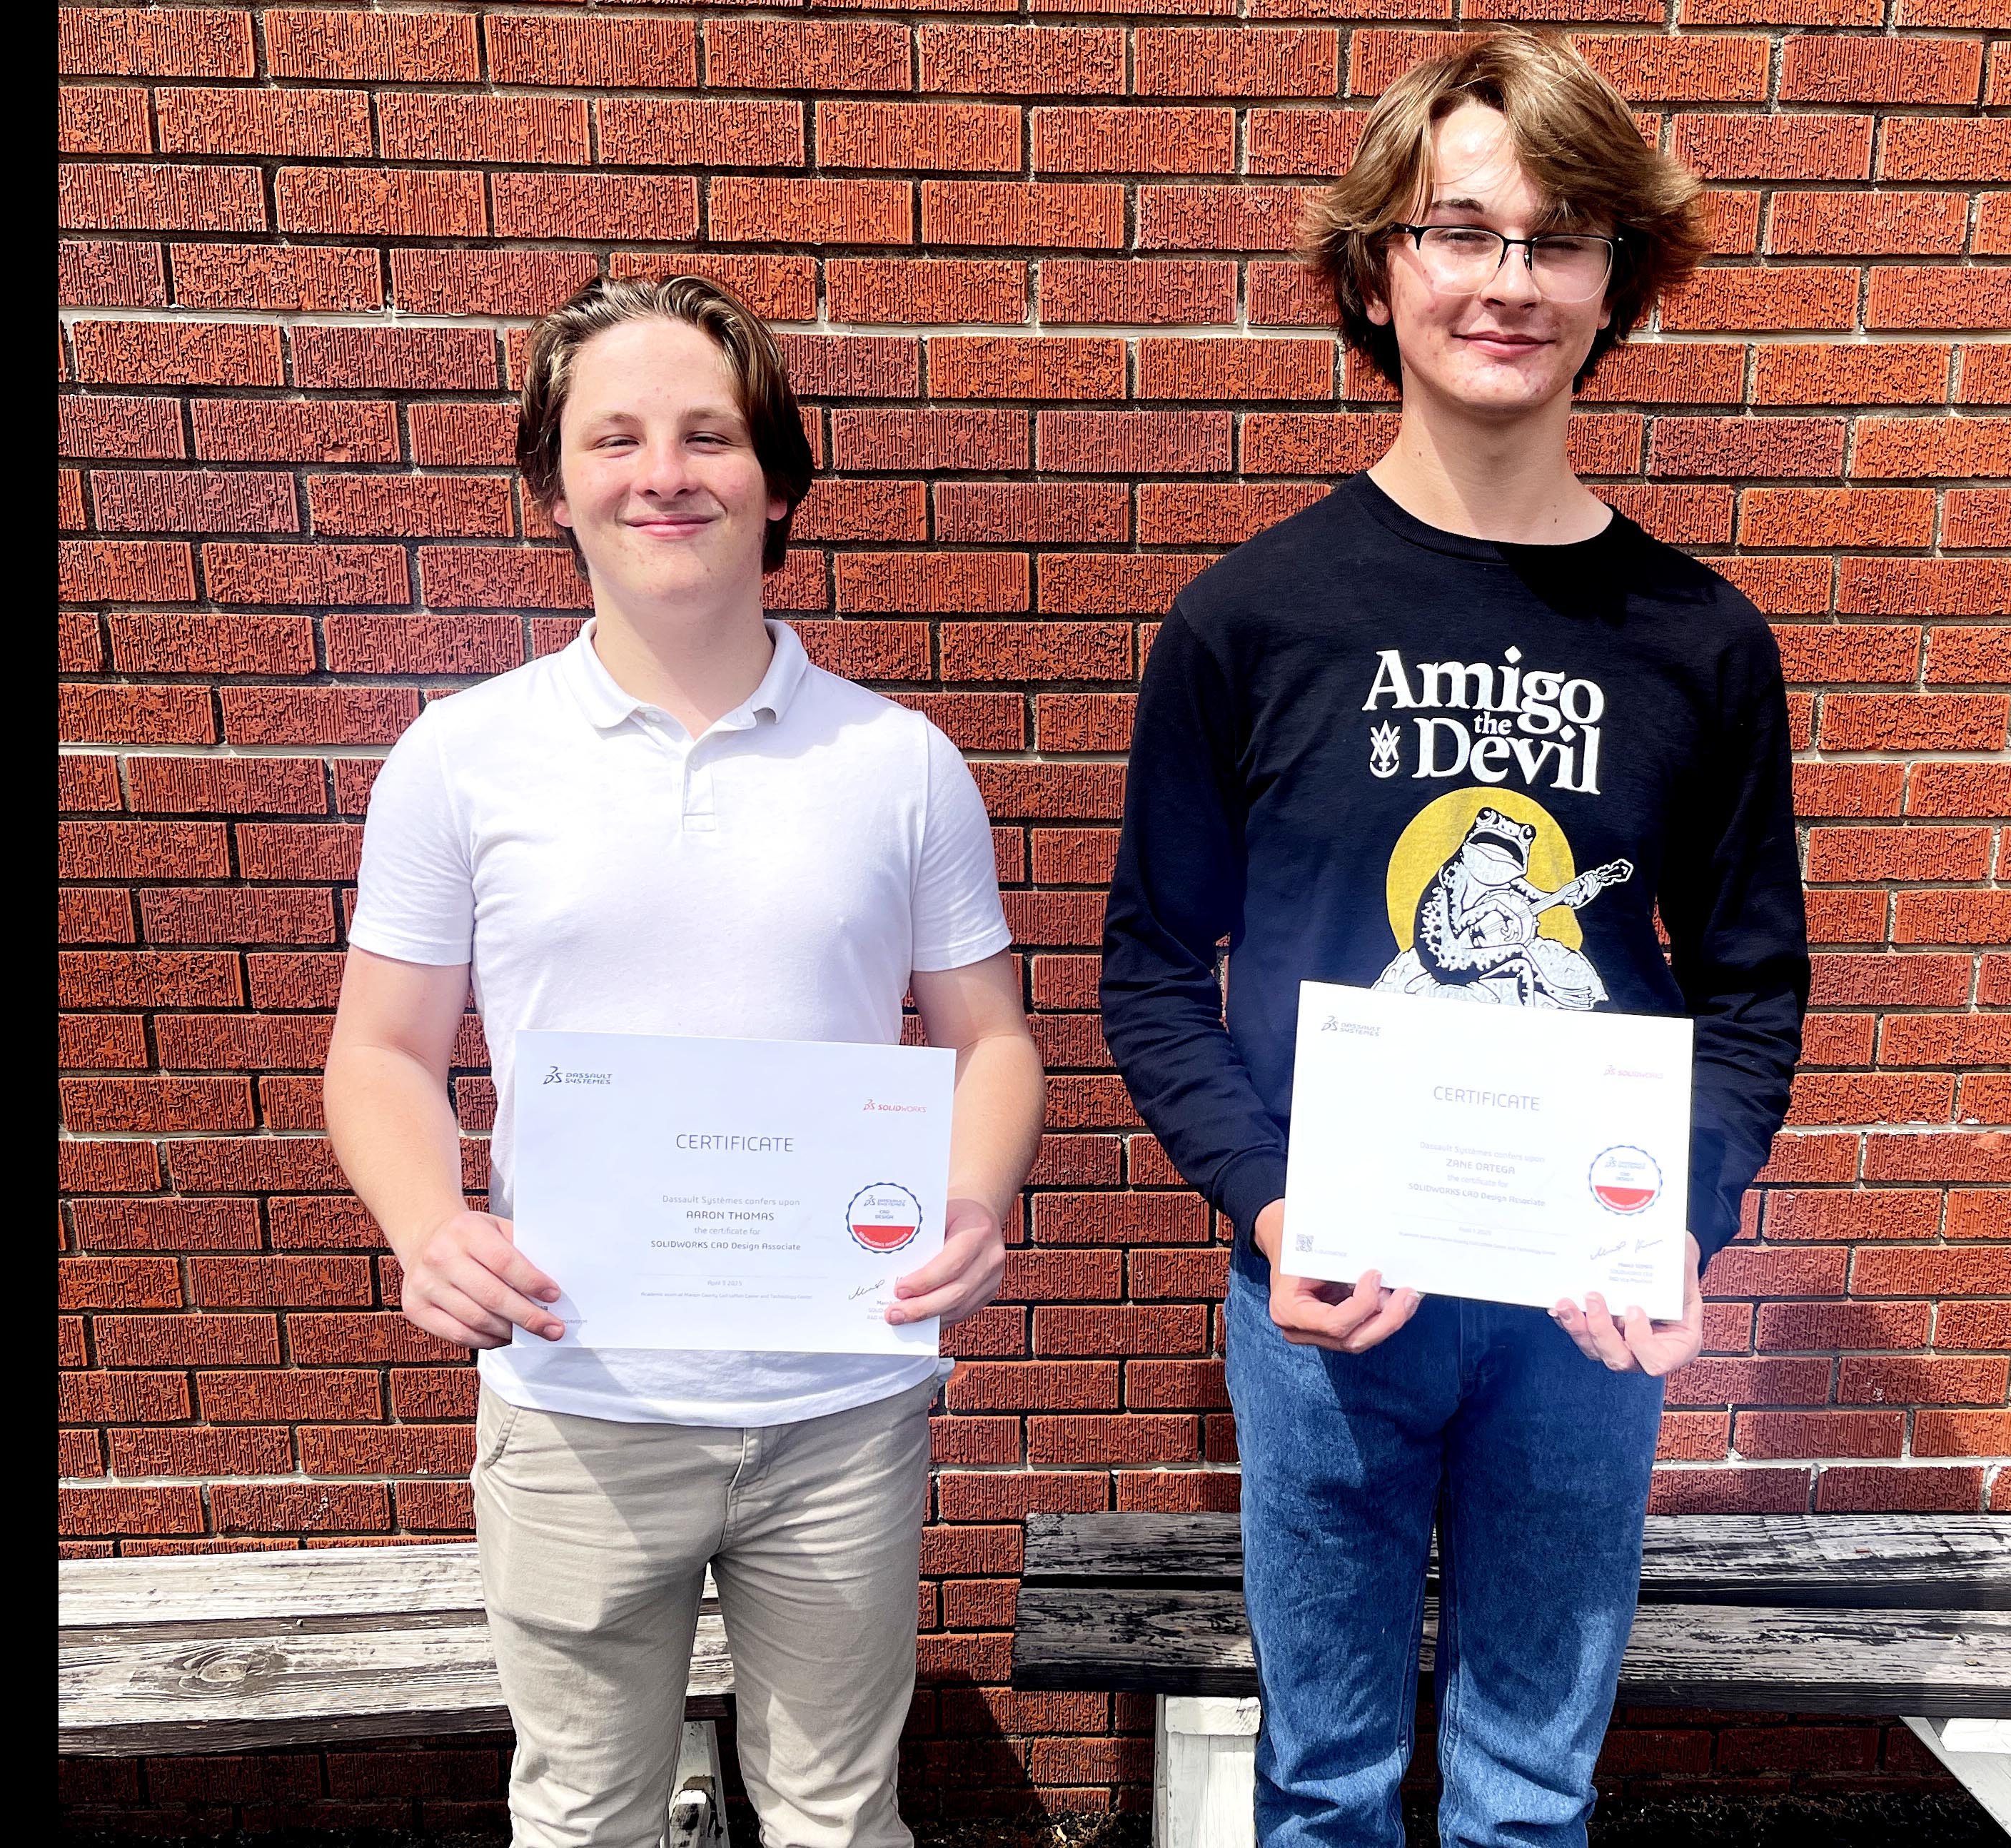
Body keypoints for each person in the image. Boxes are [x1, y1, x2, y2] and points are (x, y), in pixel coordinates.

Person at [1099, 34, 1808, 1848]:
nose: (1508, 279)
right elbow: (1150, 970)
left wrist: (1681, 1214)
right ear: (1375, 271)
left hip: (1583, 1306)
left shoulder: (1698, 639)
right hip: (1329, 1290)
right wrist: (1268, 1205)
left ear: (1613, 285)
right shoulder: (1250, 619)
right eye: (1459, 229)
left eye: (1557, 238)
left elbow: (1748, 987)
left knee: (1527, 1799)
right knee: (1322, 1789)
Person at [323, 275, 1044, 1848]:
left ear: (776, 481)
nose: (664, 472)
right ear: (553, 486)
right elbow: (380, 1048)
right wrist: (426, 1226)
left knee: (840, 1816)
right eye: (616, 437)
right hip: (577, 1391)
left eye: (709, 434)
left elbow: (991, 1036)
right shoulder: (461, 756)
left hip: (841, 1395)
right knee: (585, 1816)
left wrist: (972, 1204)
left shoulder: (899, 762)